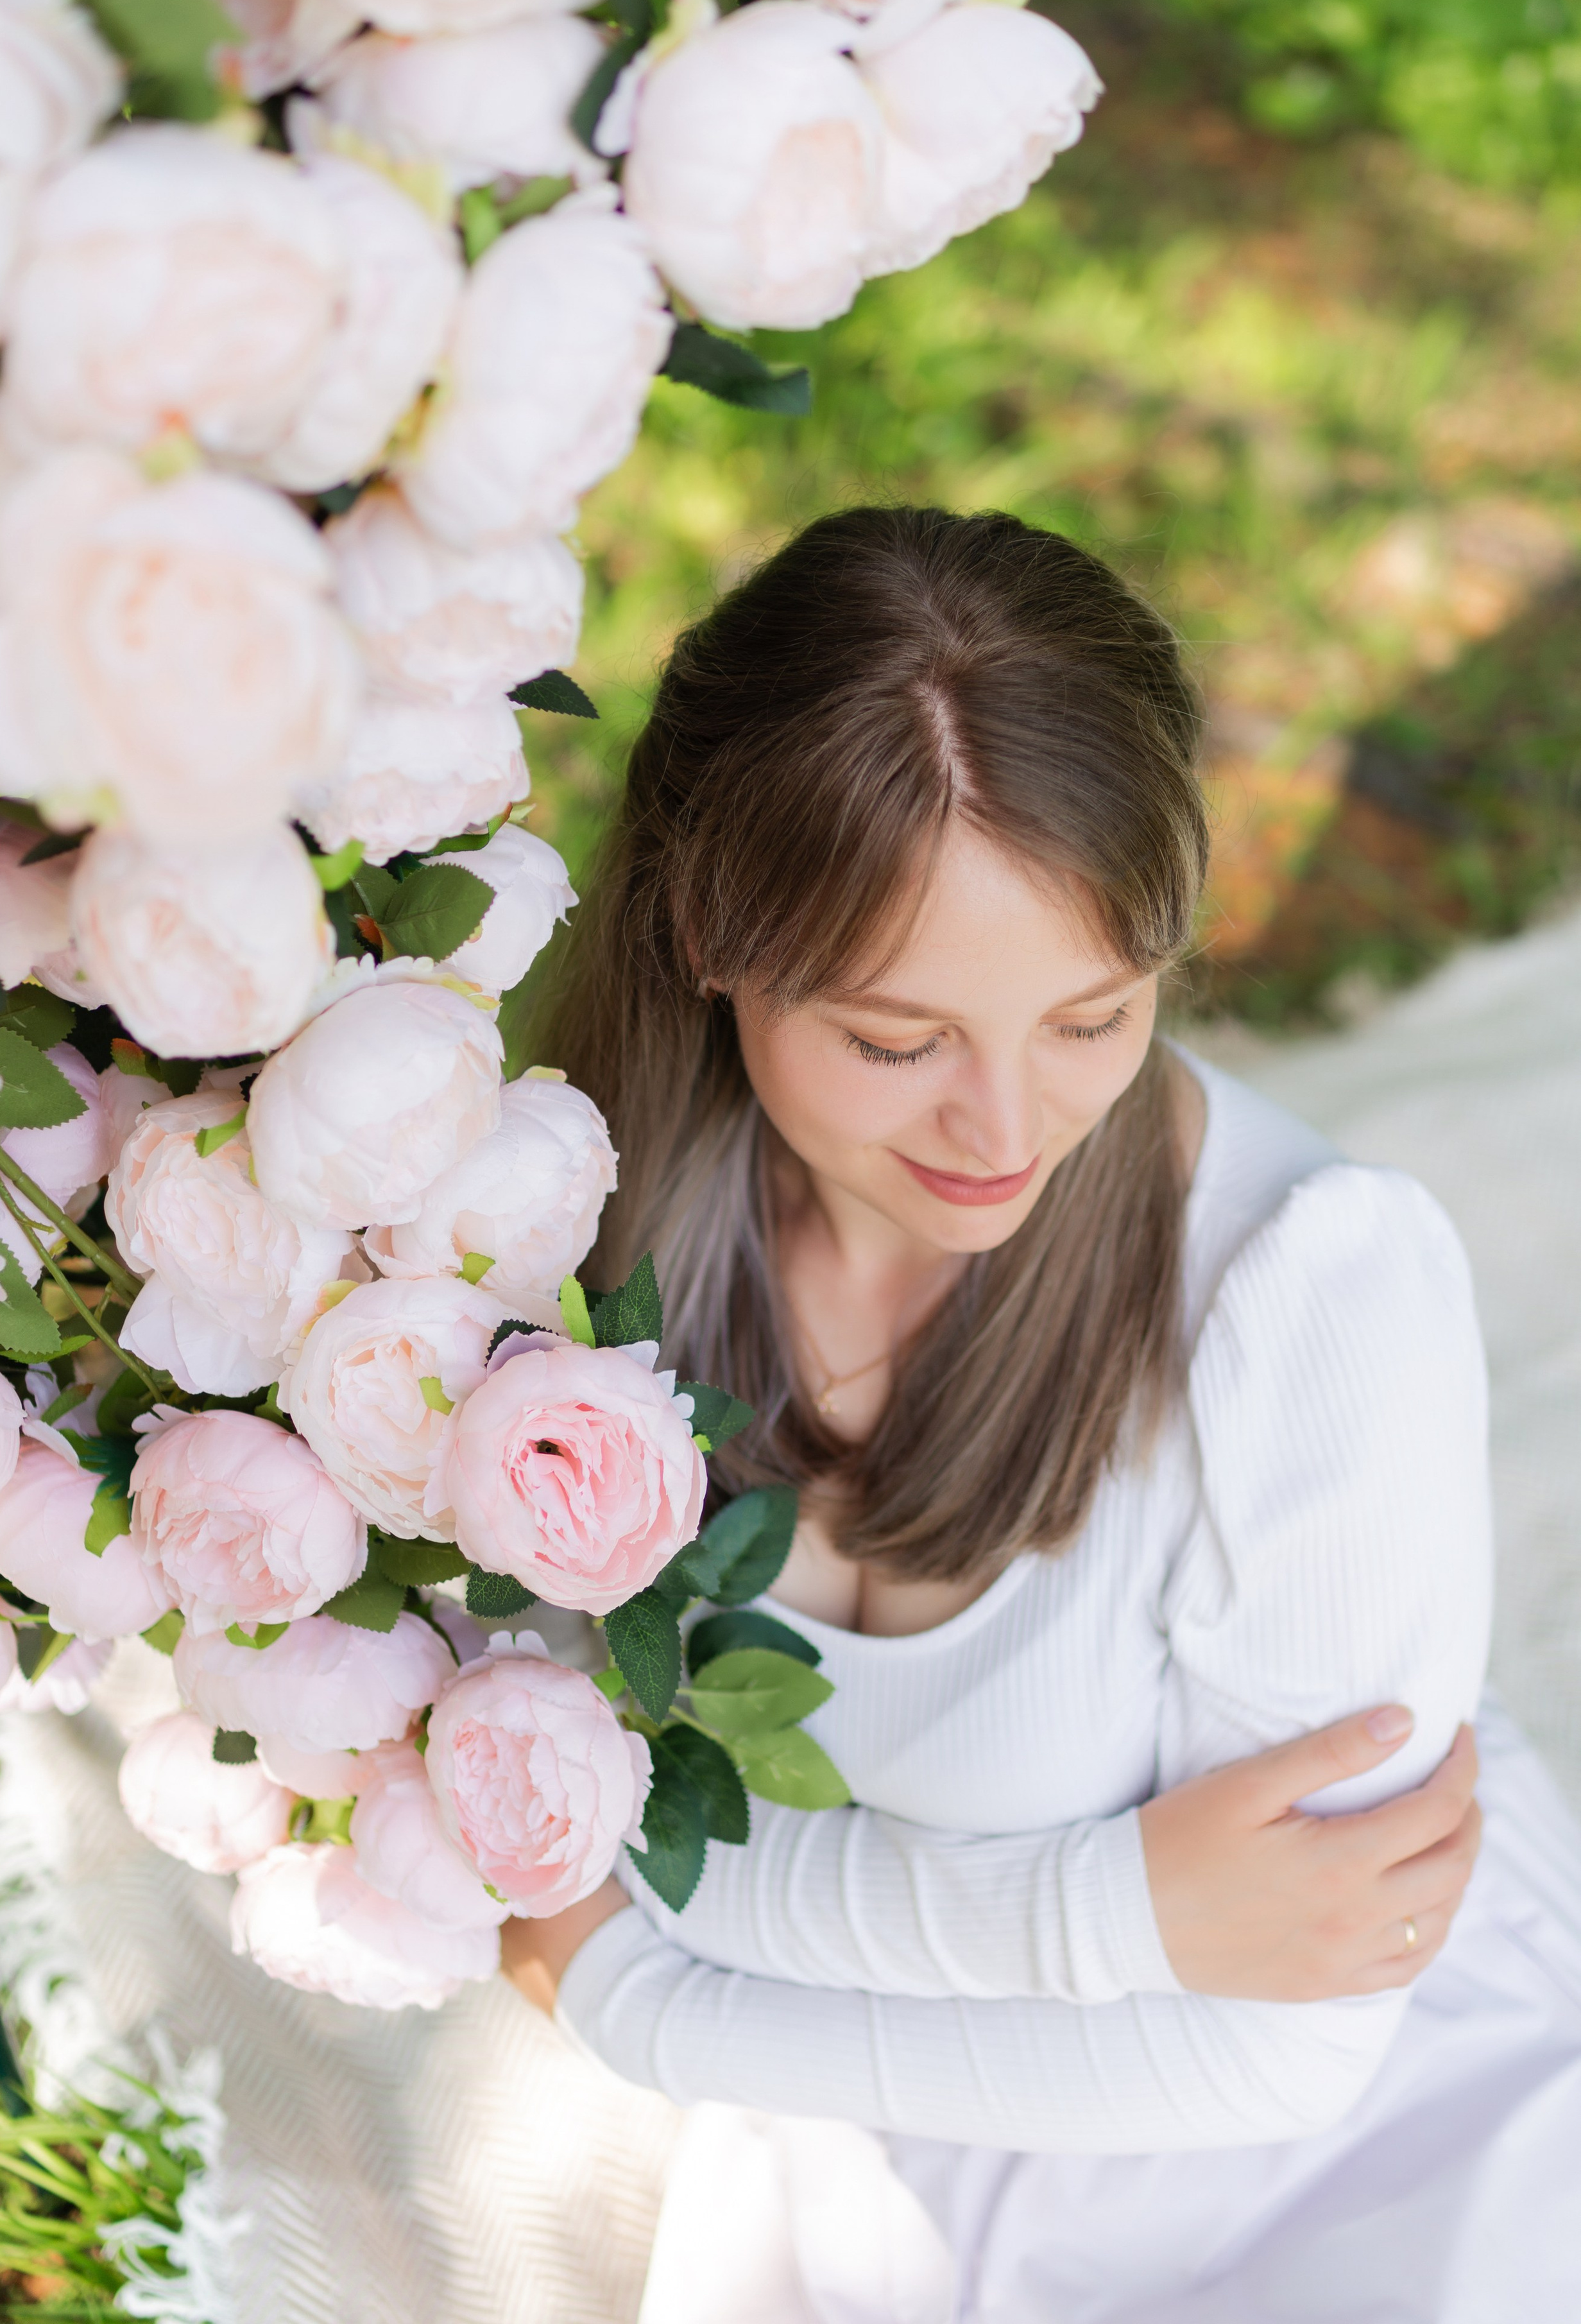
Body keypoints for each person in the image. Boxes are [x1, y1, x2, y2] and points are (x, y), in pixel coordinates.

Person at [500, 508, 1581, 2321]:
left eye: (1095, 1017)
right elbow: (545, 1812)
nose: (1001, 1133)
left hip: (1346, 2155)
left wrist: (655, 1996)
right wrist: (1133, 1911)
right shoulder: (566, 1218)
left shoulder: (1314, 1301)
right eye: (895, 1040)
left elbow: (1287, 2049)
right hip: (892, 2116)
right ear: (703, 930)